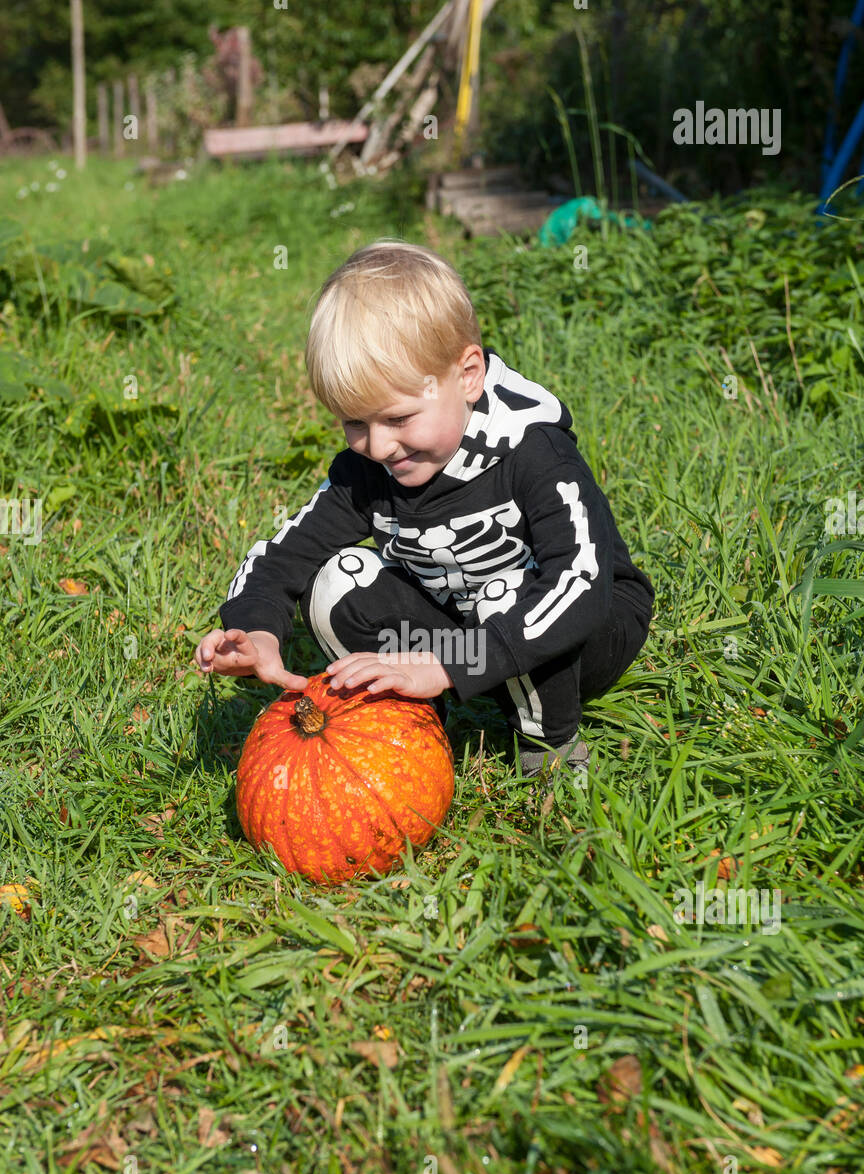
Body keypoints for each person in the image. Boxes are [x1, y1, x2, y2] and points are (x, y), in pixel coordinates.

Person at [195, 239, 654, 779]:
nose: (379, 446)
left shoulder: (535, 453)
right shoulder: (369, 470)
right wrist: (256, 632)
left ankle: (548, 748)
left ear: (468, 376)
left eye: (398, 418)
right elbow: (281, 556)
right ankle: (410, 727)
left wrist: (448, 662)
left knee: (504, 591)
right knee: (338, 581)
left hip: (583, 637)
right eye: (354, 423)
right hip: (464, 626)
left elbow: (580, 582)